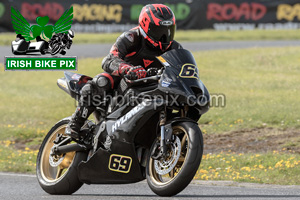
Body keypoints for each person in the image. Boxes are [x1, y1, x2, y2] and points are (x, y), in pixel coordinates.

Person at [66, 4, 183, 139]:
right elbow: (109, 59)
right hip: (124, 82)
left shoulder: (175, 47)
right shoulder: (131, 38)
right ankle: (75, 123)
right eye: (159, 31)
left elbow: (180, 69)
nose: (164, 37)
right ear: (146, 26)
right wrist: (127, 69)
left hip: (153, 86)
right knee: (102, 81)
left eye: (168, 30)